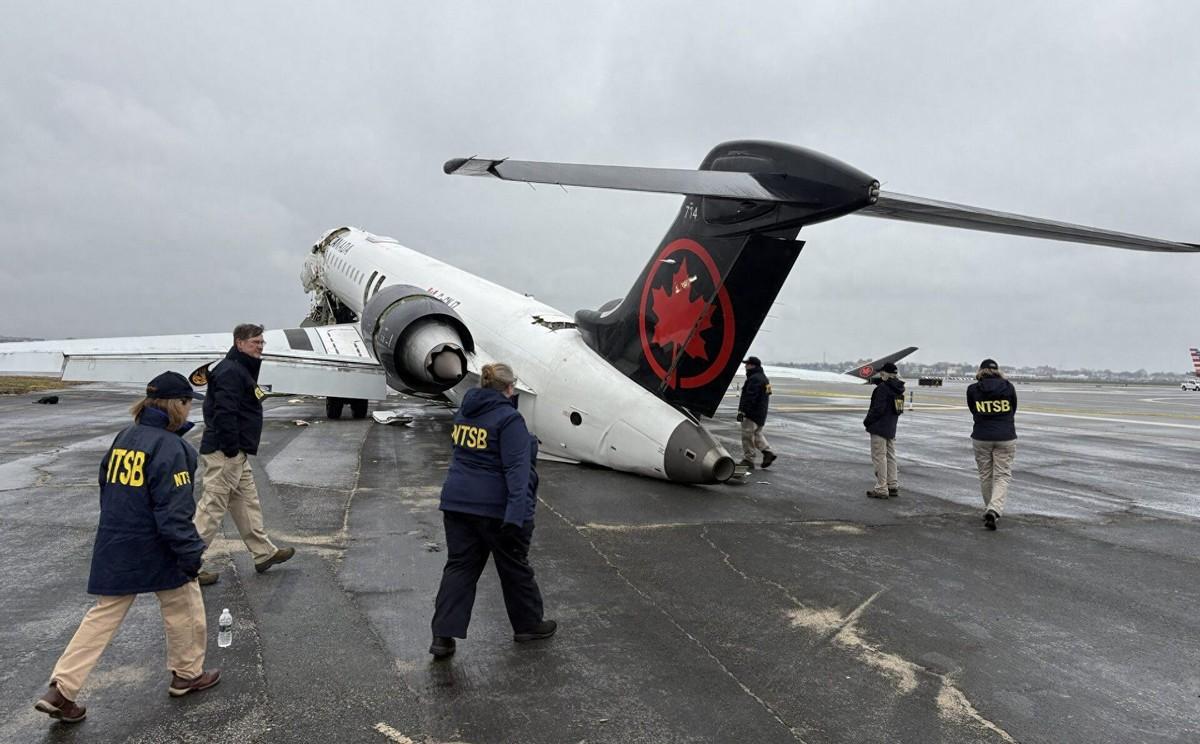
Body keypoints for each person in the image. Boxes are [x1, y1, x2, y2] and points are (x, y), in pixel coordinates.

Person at [35, 372, 220, 724]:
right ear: (176, 405)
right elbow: (175, 512)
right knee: (184, 602)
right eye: (187, 402)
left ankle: (61, 688)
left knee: (103, 616)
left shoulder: (125, 437)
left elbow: (106, 483)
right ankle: (187, 673)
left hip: (117, 539)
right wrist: (190, 553)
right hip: (156, 544)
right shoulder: (173, 448)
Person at [429, 362, 555, 659]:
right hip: (494, 509)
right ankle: (528, 624)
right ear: (509, 389)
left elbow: (462, 454)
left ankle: (443, 637)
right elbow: (517, 471)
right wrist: (516, 516)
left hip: (457, 504)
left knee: (460, 567)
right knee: (514, 566)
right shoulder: (509, 420)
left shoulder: (464, 413)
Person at [193, 323, 293, 585]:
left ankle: (264, 554)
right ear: (239, 343)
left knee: (247, 501)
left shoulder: (240, 368)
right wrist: (230, 448)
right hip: (226, 452)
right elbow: (224, 412)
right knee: (212, 507)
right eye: (254, 342)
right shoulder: (230, 372)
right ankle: (185, 565)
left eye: (261, 342)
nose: (260, 346)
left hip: (236, 452)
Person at [967, 358, 1018, 530]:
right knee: (1002, 476)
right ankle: (994, 509)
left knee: (985, 475)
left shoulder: (973, 389)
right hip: (1005, 436)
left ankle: (990, 509)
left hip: (981, 435)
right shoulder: (1008, 387)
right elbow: (1013, 408)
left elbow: (973, 409)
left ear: (980, 371)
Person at [864, 361, 906, 498]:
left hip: (879, 427)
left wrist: (867, 421)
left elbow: (878, 409)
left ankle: (881, 488)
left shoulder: (882, 388)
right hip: (891, 427)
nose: (880, 375)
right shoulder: (899, 388)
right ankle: (892, 485)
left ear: (886, 374)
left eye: (882, 372)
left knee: (879, 457)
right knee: (891, 457)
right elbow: (898, 410)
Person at [737, 356, 776, 469]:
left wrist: (743, 411)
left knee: (747, 435)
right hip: (761, 413)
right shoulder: (765, 379)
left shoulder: (754, 379)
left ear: (753, 365)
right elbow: (768, 393)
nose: (745, 366)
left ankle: (748, 460)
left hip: (751, 414)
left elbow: (750, 397)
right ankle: (768, 453)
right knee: (757, 434)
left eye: (747, 364)